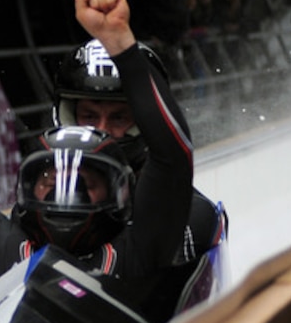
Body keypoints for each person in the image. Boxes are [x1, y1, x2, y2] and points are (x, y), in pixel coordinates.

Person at [0, 0, 193, 289]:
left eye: (87, 181)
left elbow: (173, 155)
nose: (67, 194)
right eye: (52, 179)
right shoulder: (3, 251)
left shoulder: (142, 247)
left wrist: (121, 44)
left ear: (119, 195)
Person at [53, 35, 227, 266]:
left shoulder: (192, 217)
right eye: (89, 116)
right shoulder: (40, 202)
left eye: (119, 117)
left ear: (144, 122)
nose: (102, 131)